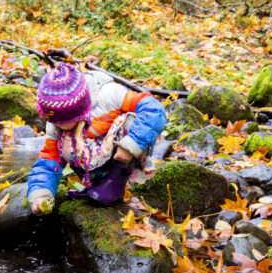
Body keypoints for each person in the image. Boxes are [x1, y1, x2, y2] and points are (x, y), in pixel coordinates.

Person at [27, 63, 167, 214]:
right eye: (55, 122)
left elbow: (154, 110)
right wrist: (40, 195)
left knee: (131, 120)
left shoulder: (108, 95)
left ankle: (115, 184)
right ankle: (95, 185)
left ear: (80, 109)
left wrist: (131, 145)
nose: (60, 126)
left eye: (65, 121)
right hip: (96, 162)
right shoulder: (55, 125)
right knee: (64, 142)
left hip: (121, 152)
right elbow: (49, 162)